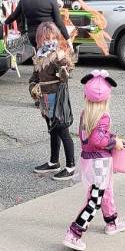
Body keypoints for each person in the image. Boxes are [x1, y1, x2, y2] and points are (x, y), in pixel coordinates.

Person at [63, 70, 125, 251]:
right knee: (95, 199)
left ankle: (112, 221)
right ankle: (74, 233)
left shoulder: (86, 113)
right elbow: (97, 140)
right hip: (100, 162)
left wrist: (111, 136)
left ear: (86, 95)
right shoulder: (104, 116)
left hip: (89, 161)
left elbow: (93, 136)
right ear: (108, 98)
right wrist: (113, 142)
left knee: (105, 190)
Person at [29, 22, 76, 180]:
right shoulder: (39, 56)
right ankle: (53, 161)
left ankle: (70, 166)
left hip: (57, 99)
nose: (49, 41)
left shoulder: (58, 55)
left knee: (62, 130)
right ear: (39, 40)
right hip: (45, 99)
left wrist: (64, 68)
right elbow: (34, 76)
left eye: (52, 38)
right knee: (53, 130)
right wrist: (33, 87)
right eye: (46, 38)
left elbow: (66, 73)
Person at [5, 0, 70, 48]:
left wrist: (4, 23)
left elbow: (13, 16)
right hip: (48, 37)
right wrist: (68, 40)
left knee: (38, 57)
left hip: (32, 37)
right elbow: (59, 23)